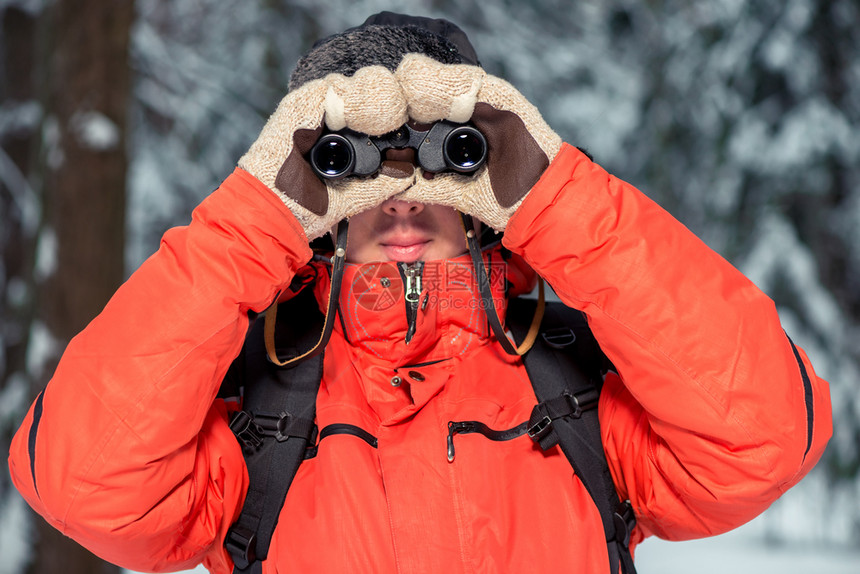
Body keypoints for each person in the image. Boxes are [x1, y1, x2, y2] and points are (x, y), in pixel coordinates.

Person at [9, 11, 831, 574]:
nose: (398, 195)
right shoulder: (262, 409)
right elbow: (84, 482)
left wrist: (552, 197)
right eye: (354, 166)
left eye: (443, 160)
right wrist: (252, 223)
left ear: (482, 189)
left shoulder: (577, 389)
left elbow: (761, 435)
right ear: (318, 205)